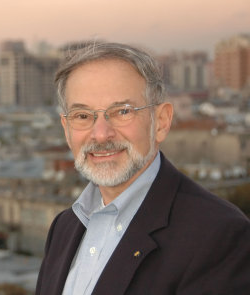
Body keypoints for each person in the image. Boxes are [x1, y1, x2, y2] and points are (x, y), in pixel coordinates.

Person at [35, 42, 250, 295]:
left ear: (161, 122)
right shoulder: (64, 227)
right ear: (66, 129)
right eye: (82, 115)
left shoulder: (218, 235)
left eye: (122, 111)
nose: (101, 134)